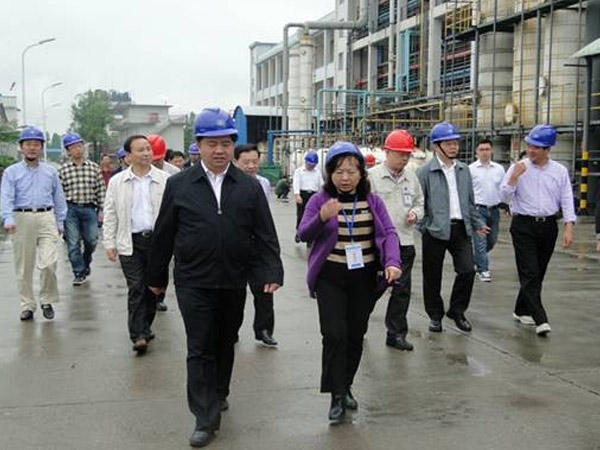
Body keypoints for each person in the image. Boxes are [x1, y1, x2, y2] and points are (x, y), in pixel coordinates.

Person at [147, 108, 283, 448]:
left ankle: (219, 392)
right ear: (199, 145)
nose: (219, 150)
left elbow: (265, 234)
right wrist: (156, 277)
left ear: (232, 145)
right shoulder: (179, 184)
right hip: (193, 280)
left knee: (224, 342)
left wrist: (271, 270)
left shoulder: (249, 187)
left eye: (225, 143)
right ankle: (204, 417)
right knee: (199, 346)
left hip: (234, 280)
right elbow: (164, 234)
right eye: (212, 144)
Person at [297, 141, 401, 425]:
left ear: (361, 174)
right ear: (329, 174)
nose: (345, 177)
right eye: (339, 172)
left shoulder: (373, 201)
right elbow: (303, 233)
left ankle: (346, 386)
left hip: (363, 279)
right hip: (330, 278)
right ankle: (336, 395)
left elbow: (389, 233)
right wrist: (321, 217)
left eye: (351, 171)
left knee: (355, 335)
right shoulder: (319, 200)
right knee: (334, 334)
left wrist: (393, 262)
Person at [500, 124, 575, 336]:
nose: (531, 150)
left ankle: (521, 309)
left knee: (538, 271)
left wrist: (569, 226)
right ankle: (540, 318)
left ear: (547, 149)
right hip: (523, 225)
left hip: (548, 226)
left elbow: (567, 198)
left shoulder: (559, 171)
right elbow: (503, 196)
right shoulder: (518, 168)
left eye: (536, 147)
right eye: (529, 146)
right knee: (529, 271)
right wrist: (514, 178)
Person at [417, 122, 488, 333]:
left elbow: (470, 201)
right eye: (448, 143)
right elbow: (419, 203)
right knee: (432, 277)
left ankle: (457, 311)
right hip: (435, 230)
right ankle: (435, 316)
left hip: (460, 229)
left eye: (455, 143)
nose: (453, 147)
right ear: (436, 146)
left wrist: (477, 223)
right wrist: (425, 226)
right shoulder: (425, 172)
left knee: (468, 270)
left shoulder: (463, 170)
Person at [103, 135, 170, 354]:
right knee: (137, 287)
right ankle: (138, 334)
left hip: (157, 243)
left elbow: (173, 214)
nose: (146, 153)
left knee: (154, 288)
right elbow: (110, 213)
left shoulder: (165, 180)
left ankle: (145, 327)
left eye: (148, 149)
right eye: (140, 150)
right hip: (129, 242)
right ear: (128, 156)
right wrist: (109, 243)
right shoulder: (117, 182)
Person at [1, 126, 68, 321]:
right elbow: (6, 196)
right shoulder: (11, 172)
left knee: (49, 263)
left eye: (36, 144)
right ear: (21, 147)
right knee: (24, 266)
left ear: (41, 148)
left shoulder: (50, 172)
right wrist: (8, 218)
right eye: (28, 144)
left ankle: (46, 299)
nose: (32, 148)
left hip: (46, 217)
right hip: (21, 218)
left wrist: (60, 222)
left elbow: (59, 198)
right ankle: (27, 305)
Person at [369, 130, 424, 351]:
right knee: (373, 288)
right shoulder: (371, 177)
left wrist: (416, 214)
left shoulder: (412, 177)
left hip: (405, 241)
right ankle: (358, 321)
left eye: (407, 154)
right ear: (387, 152)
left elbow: (420, 202)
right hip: (378, 245)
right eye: (400, 154)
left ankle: (396, 333)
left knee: (401, 291)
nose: (404, 158)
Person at [58, 132, 106, 285]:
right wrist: (59, 215)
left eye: (79, 146)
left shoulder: (94, 168)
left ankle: (86, 261)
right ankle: (78, 272)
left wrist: (102, 210)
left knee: (92, 240)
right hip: (70, 209)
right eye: (73, 147)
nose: (77, 149)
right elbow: (59, 194)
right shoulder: (63, 170)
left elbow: (101, 190)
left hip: (89, 209)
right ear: (68, 151)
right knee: (73, 243)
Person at [469, 139, 506, 282]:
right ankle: (483, 270)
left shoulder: (499, 169)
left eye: (487, 149)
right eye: (482, 149)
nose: (485, 152)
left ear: (492, 151)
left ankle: (476, 259)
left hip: (494, 210)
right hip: (478, 210)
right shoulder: (470, 169)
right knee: (480, 241)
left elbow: (503, 188)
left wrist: (506, 204)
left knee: (492, 240)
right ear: (476, 152)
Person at [293, 151, 322, 242]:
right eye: (310, 164)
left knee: (313, 217)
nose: (311, 167)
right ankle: (299, 232)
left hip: (314, 195)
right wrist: (297, 195)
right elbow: (296, 183)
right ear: (305, 162)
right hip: (303, 195)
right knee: (301, 215)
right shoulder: (299, 171)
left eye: (313, 165)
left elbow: (321, 185)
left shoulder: (317, 172)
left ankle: (310, 238)